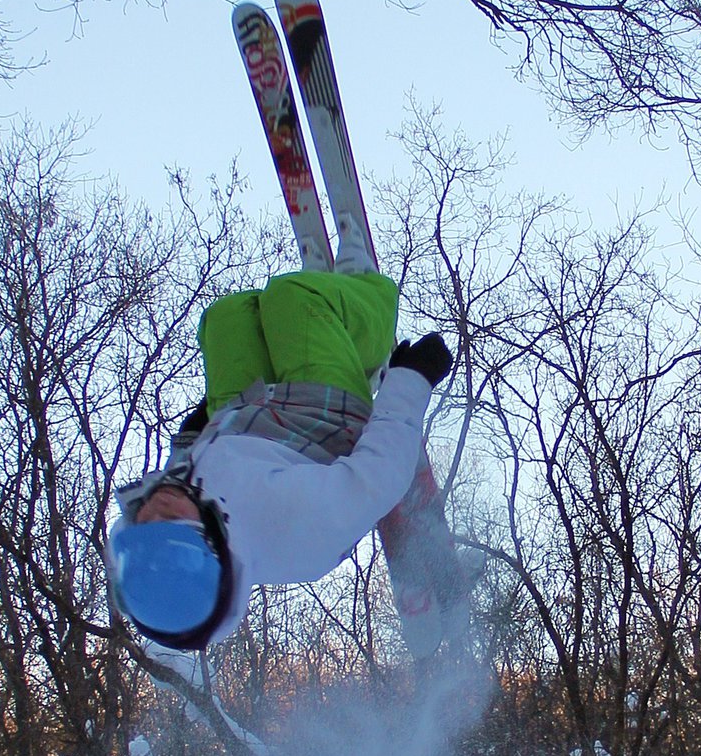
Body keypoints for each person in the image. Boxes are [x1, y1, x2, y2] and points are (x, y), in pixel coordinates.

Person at [107, 231, 454, 654]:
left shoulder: (175, 501)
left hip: (246, 416)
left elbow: (188, 467)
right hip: (325, 419)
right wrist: (411, 379)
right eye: (168, 521)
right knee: (295, 298)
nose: (154, 508)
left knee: (226, 320)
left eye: (144, 523)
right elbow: (378, 478)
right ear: (212, 542)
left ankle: (313, 316)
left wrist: (195, 434)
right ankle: (363, 296)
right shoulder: (292, 528)